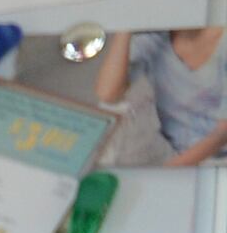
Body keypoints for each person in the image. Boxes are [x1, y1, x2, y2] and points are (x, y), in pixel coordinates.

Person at [96, 25, 227, 170]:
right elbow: (108, 94)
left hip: (218, 157)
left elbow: (221, 134)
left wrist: (166, 173)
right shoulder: (155, 38)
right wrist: (124, 29)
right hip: (173, 150)